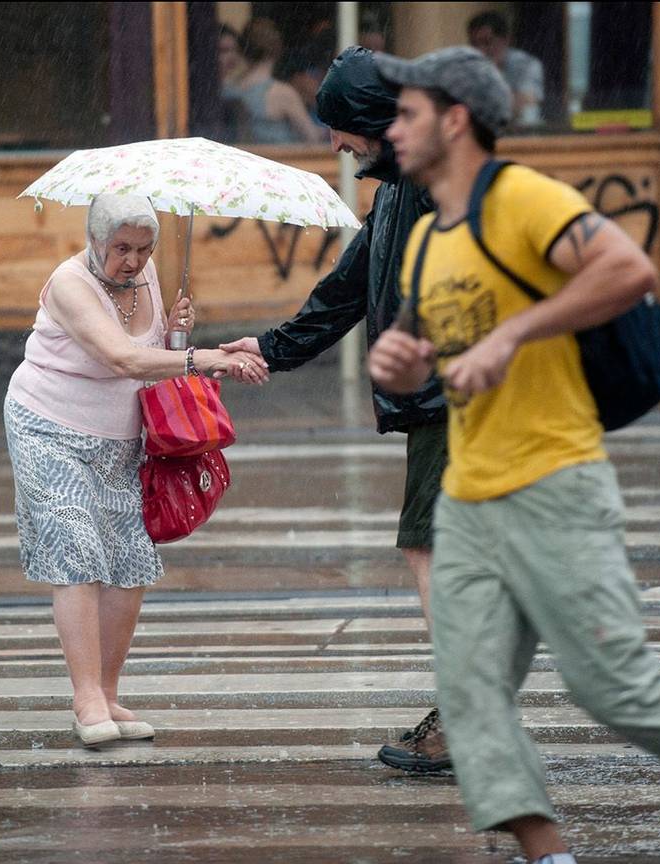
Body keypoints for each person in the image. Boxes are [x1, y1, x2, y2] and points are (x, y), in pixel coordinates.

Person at [367, 46, 660, 864]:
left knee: (612, 686)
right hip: (471, 498)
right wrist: (404, 361)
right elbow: (423, 339)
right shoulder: (425, 238)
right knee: (471, 697)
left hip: (554, 483)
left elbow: (629, 269)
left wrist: (516, 332)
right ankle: (550, 857)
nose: (392, 129)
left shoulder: (520, 198)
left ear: (455, 119)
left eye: (407, 112)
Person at [219, 45, 451, 775]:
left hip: (459, 402)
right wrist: (268, 347)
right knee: (457, 555)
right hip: (440, 401)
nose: (334, 144)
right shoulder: (395, 193)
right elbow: (345, 293)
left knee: (433, 549)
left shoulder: (435, 186)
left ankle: (468, 716)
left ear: (374, 121)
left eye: (340, 128)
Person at [4, 194, 268, 748]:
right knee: (76, 550)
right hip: (48, 426)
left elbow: (148, 352)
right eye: (121, 248)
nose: (134, 260)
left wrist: (174, 332)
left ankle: (109, 690)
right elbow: (122, 359)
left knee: (129, 556)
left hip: (123, 437)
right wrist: (205, 358)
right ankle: (86, 701)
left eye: (144, 248)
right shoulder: (70, 283)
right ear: (95, 240)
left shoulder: (147, 275)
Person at [222, 19, 326, 145]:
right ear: (277, 49)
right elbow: (313, 138)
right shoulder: (282, 93)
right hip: (277, 161)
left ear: (243, 49)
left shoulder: (228, 89)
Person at [467, 11, 543, 127]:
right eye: (474, 44)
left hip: (523, 134)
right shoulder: (467, 65)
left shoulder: (526, 64)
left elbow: (526, 103)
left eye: (487, 42)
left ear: (505, 40)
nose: (480, 50)